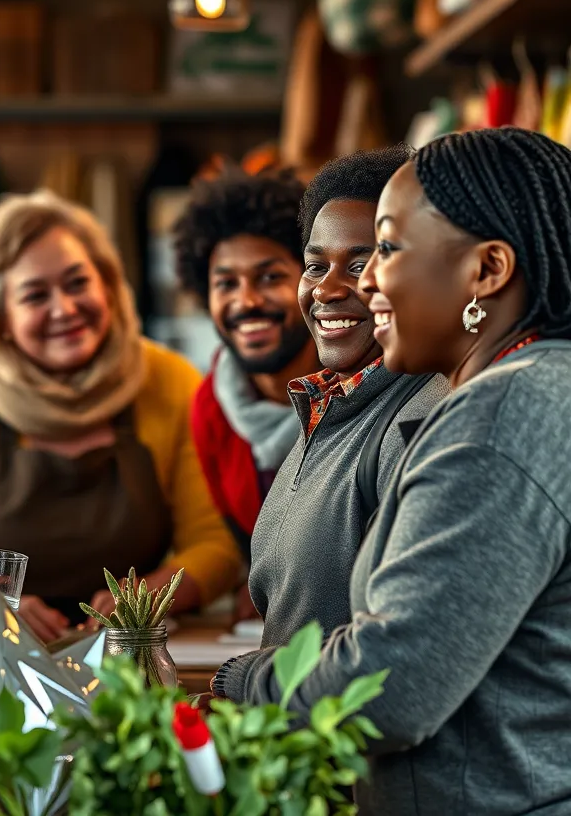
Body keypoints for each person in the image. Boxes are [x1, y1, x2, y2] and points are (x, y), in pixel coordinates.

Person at [214, 127, 571, 816]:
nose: (367, 280)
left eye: (388, 249)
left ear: (487, 271)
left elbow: (392, 687)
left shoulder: (500, 416)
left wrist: (236, 685)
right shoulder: (526, 392)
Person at [0, 189, 238, 645]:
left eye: (78, 282)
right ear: (0, 316)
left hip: (131, 649)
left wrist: (150, 597)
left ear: (110, 287)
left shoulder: (169, 380)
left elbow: (217, 543)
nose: (64, 308)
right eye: (35, 295)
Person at [230, 147, 449, 669]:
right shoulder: (326, 408)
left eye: (361, 263)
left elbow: (404, 656)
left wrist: (238, 681)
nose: (327, 289)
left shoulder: (423, 418)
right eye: (314, 265)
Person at [172, 168, 317, 616]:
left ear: (312, 281)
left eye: (270, 277)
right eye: (226, 283)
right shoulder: (211, 407)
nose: (247, 301)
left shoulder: (362, 390)